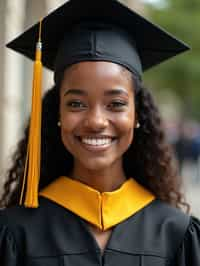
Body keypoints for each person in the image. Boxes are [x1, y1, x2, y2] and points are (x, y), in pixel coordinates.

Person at [0, 0, 200, 265]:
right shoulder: (14, 233)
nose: (96, 121)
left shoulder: (177, 234)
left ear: (137, 115)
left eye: (116, 104)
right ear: (56, 114)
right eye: (76, 104)